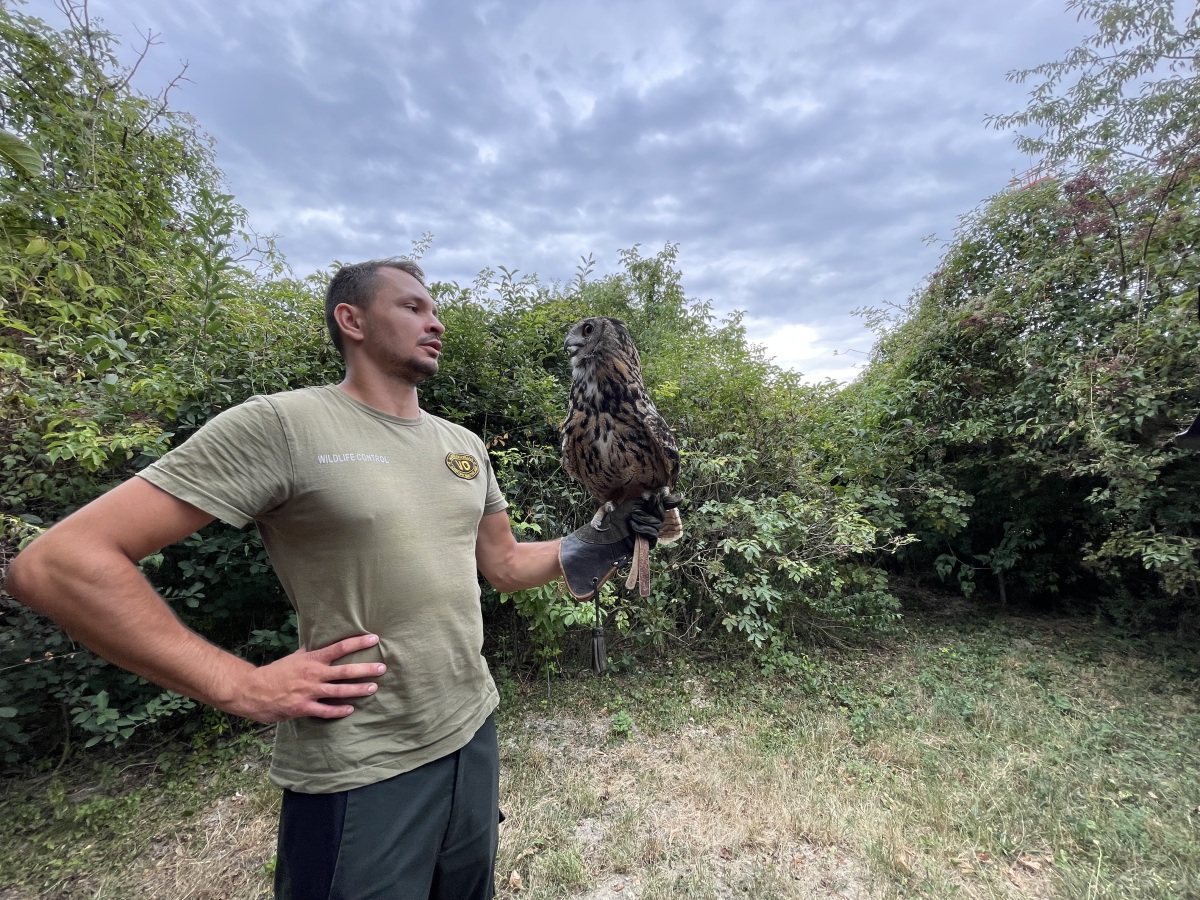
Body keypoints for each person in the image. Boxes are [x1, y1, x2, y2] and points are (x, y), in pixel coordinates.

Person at [4, 258, 663, 900]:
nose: (434, 322)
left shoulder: (462, 444)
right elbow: (59, 563)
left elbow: (504, 565)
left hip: (472, 730)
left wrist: (595, 539)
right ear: (351, 318)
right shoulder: (283, 425)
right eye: (411, 306)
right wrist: (239, 684)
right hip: (360, 764)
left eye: (434, 309)